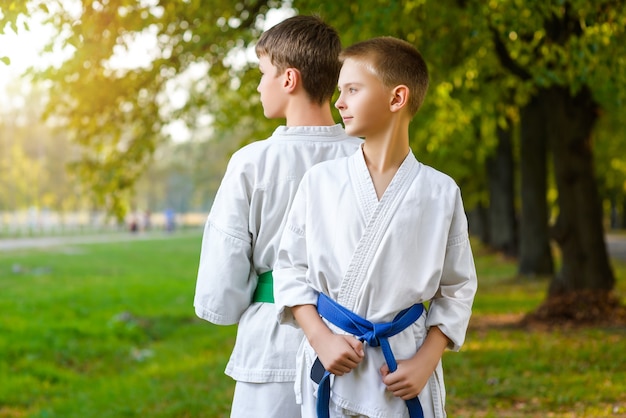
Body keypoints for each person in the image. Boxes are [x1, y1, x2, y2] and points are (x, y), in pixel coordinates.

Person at [273, 37, 478, 418]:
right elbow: (289, 269)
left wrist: (426, 361)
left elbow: (457, 288)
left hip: (403, 364)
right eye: (340, 90)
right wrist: (320, 339)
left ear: (396, 98)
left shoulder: (439, 192)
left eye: (352, 89)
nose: (339, 102)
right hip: (334, 362)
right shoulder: (320, 182)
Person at [193, 15, 363, 418]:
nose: (257, 85)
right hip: (356, 345)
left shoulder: (253, 162)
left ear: (288, 79)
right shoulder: (366, 156)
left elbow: (222, 285)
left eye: (262, 73)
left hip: (273, 347)